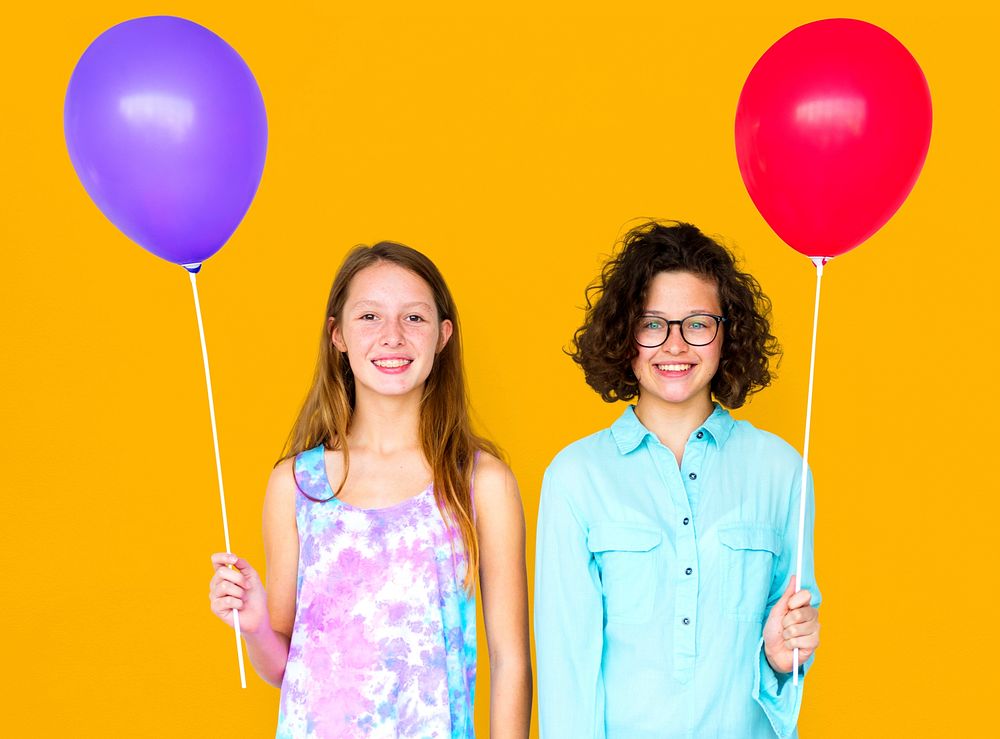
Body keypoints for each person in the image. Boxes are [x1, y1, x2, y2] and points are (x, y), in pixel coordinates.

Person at [209, 242, 531, 738]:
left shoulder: (481, 484)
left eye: (415, 318)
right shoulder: (297, 484)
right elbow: (282, 668)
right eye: (369, 316)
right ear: (337, 334)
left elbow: (510, 660)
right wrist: (253, 625)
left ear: (443, 335)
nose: (393, 336)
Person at [534, 221, 821, 739]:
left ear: (726, 333)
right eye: (652, 325)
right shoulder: (576, 478)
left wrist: (782, 660)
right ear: (626, 337)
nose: (675, 345)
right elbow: (567, 669)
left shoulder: (781, 471)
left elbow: (787, 668)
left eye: (697, 324)